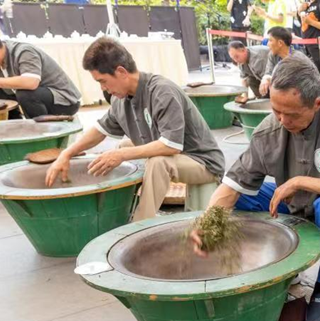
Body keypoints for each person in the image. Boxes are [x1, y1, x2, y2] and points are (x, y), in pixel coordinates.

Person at [194, 55, 320, 321]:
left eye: (291, 114)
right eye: (276, 110)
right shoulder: (269, 130)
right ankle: (265, 264)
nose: (282, 120)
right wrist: (209, 222)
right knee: (238, 197)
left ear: (317, 104)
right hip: (298, 205)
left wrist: (299, 183)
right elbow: (233, 185)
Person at [45, 38, 224, 223]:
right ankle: (123, 204)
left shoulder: (162, 91)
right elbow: (99, 130)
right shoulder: (119, 99)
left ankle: (139, 224)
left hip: (203, 162)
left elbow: (171, 146)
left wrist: (121, 156)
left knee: (157, 162)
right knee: (123, 145)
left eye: (103, 81)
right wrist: (66, 154)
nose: (103, 88)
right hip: (178, 154)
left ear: (121, 72)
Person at [0, 30, 80, 119]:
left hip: (63, 102)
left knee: (24, 92)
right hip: (39, 100)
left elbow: (31, 82)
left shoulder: (23, 51)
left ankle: (40, 132)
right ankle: (13, 126)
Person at [229, 28, 307, 98]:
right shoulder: (272, 55)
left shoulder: (297, 59)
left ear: (280, 43)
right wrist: (265, 79)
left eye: (270, 40)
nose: (267, 44)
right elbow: (268, 72)